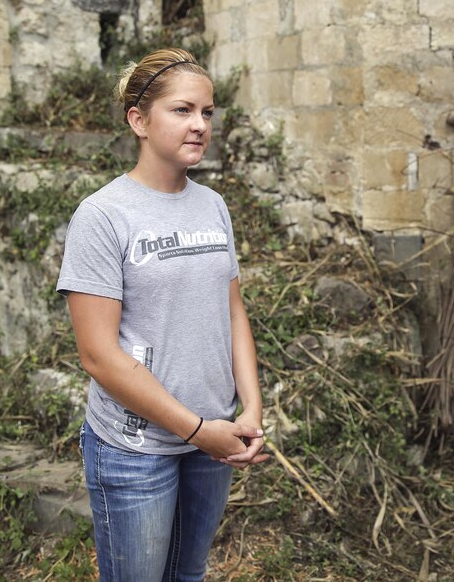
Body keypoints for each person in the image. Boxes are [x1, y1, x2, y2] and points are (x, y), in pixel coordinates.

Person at [56, 48, 269, 581]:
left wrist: (252, 410)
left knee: (188, 574)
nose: (199, 125)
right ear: (138, 121)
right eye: (181, 110)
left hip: (214, 438)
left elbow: (233, 310)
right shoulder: (102, 216)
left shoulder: (213, 205)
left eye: (208, 112)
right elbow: (99, 356)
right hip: (137, 448)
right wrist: (196, 429)